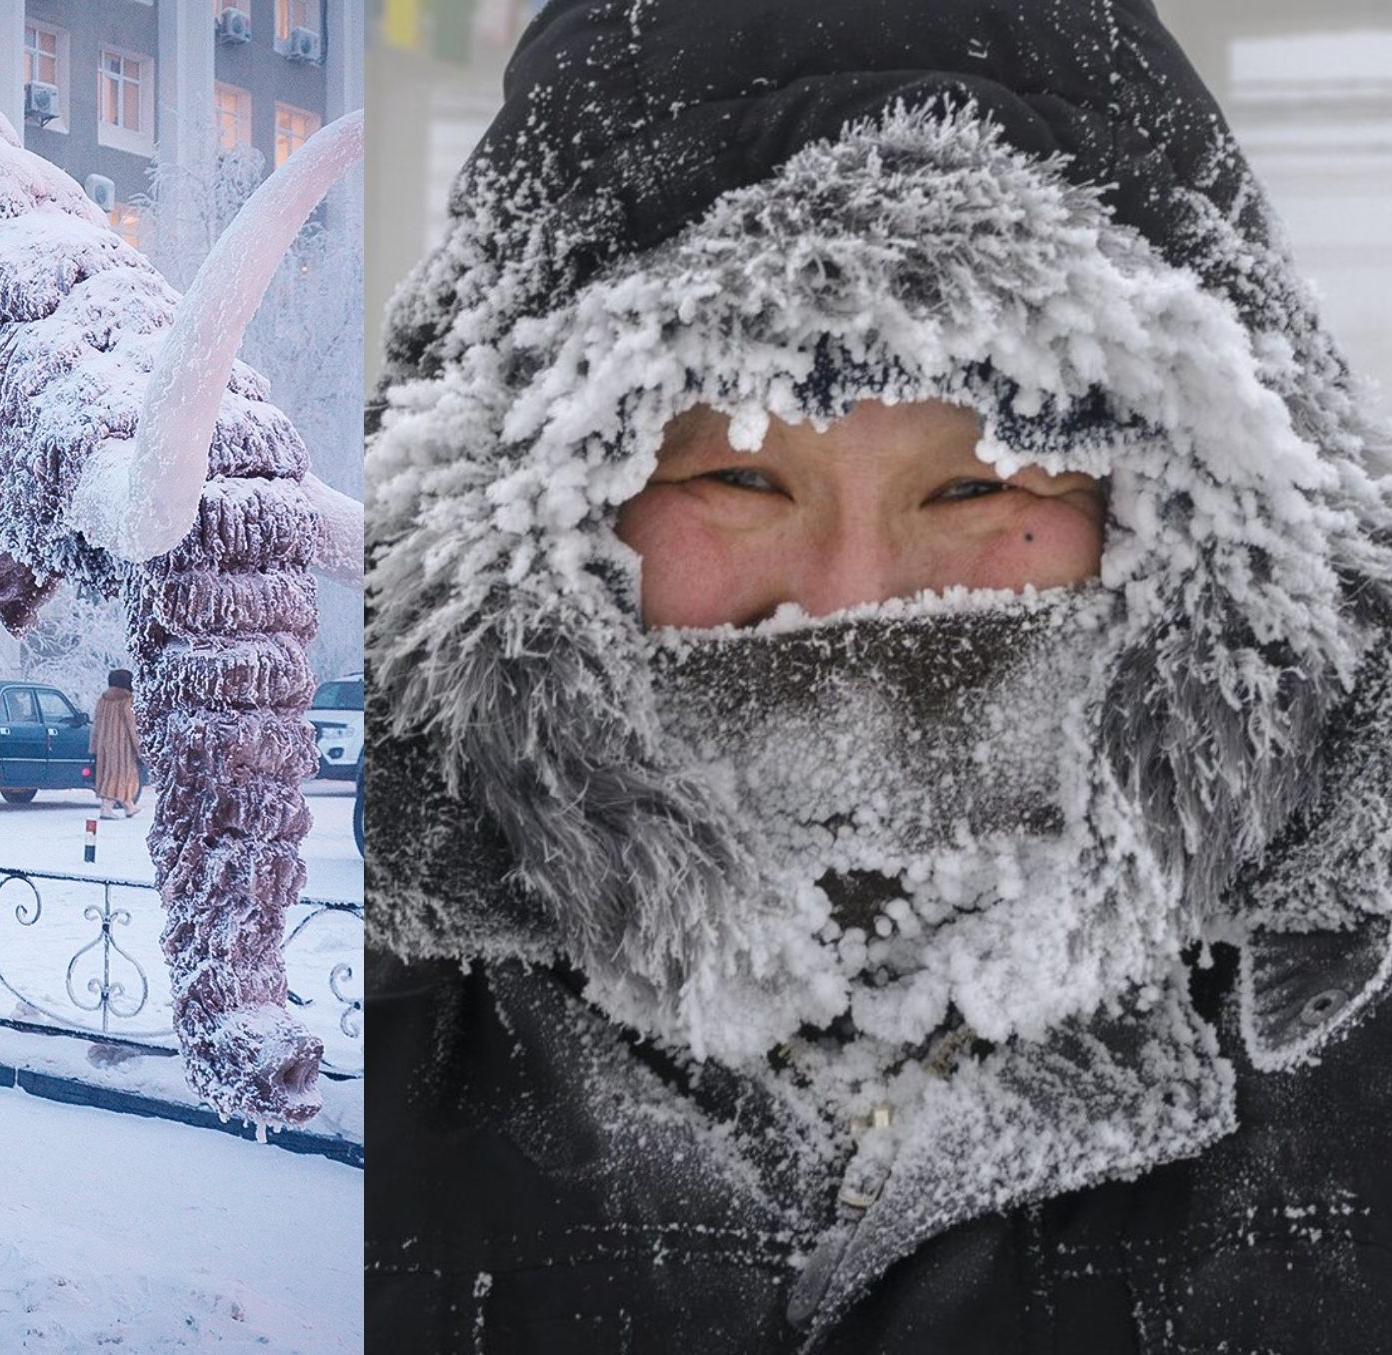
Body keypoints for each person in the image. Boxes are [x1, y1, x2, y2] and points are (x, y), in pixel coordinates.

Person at [365, 1, 1392, 1350]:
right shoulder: (357, 1009)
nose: (852, 598)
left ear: (1184, 518)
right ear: (534, 514)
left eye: (978, 483)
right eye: (736, 473)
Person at [89, 669, 143, 819]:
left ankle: (129, 806)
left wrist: (94, 746)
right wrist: (139, 747)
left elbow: (96, 724)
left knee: (110, 774)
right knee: (122, 776)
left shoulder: (103, 700)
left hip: (104, 745)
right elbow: (133, 725)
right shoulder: (127, 700)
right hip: (122, 746)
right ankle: (107, 807)